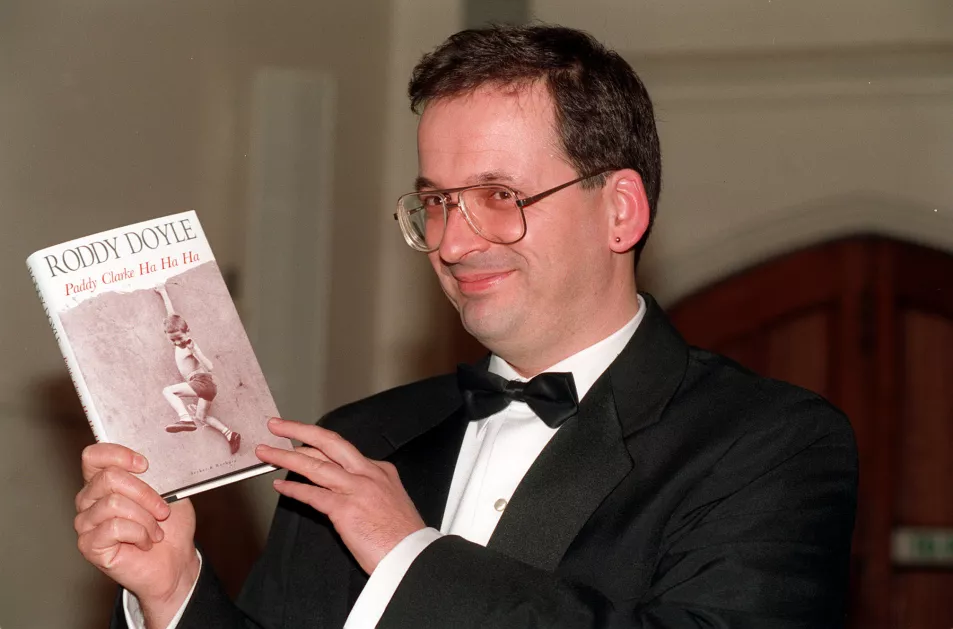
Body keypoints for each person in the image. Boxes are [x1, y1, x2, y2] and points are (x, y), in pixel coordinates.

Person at [73, 24, 857, 629]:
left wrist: (409, 555)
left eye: (497, 195)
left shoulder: (766, 443)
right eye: (437, 201)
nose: (450, 242)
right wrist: (173, 590)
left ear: (619, 210)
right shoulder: (361, 438)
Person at [154, 282, 241, 455]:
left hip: (202, 382)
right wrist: (163, 292)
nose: (177, 342)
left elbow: (209, 366)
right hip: (206, 389)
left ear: (187, 332)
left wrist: (195, 352)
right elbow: (172, 315)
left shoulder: (189, 345)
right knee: (201, 417)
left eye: (179, 338)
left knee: (167, 391)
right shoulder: (177, 334)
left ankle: (184, 418)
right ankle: (230, 434)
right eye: (173, 340)